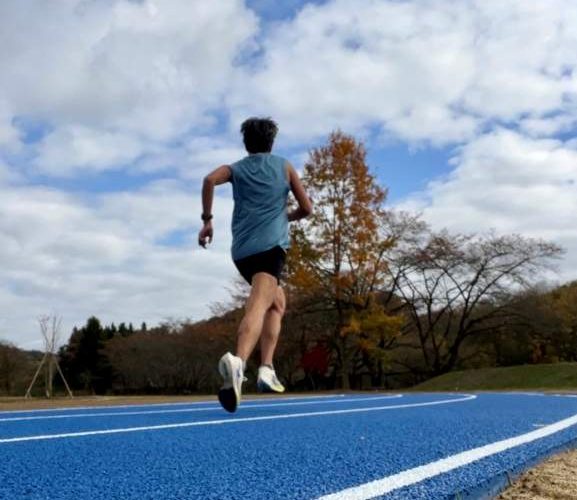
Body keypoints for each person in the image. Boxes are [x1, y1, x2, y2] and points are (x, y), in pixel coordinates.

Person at [198, 117, 313, 413]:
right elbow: (307, 208)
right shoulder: (284, 166)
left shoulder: (235, 169)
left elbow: (209, 180)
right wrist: (284, 217)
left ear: (246, 143)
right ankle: (239, 362)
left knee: (277, 302)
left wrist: (207, 221)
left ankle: (267, 368)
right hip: (271, 248)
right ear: (271, 142)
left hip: (242, 251)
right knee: (260, 304)